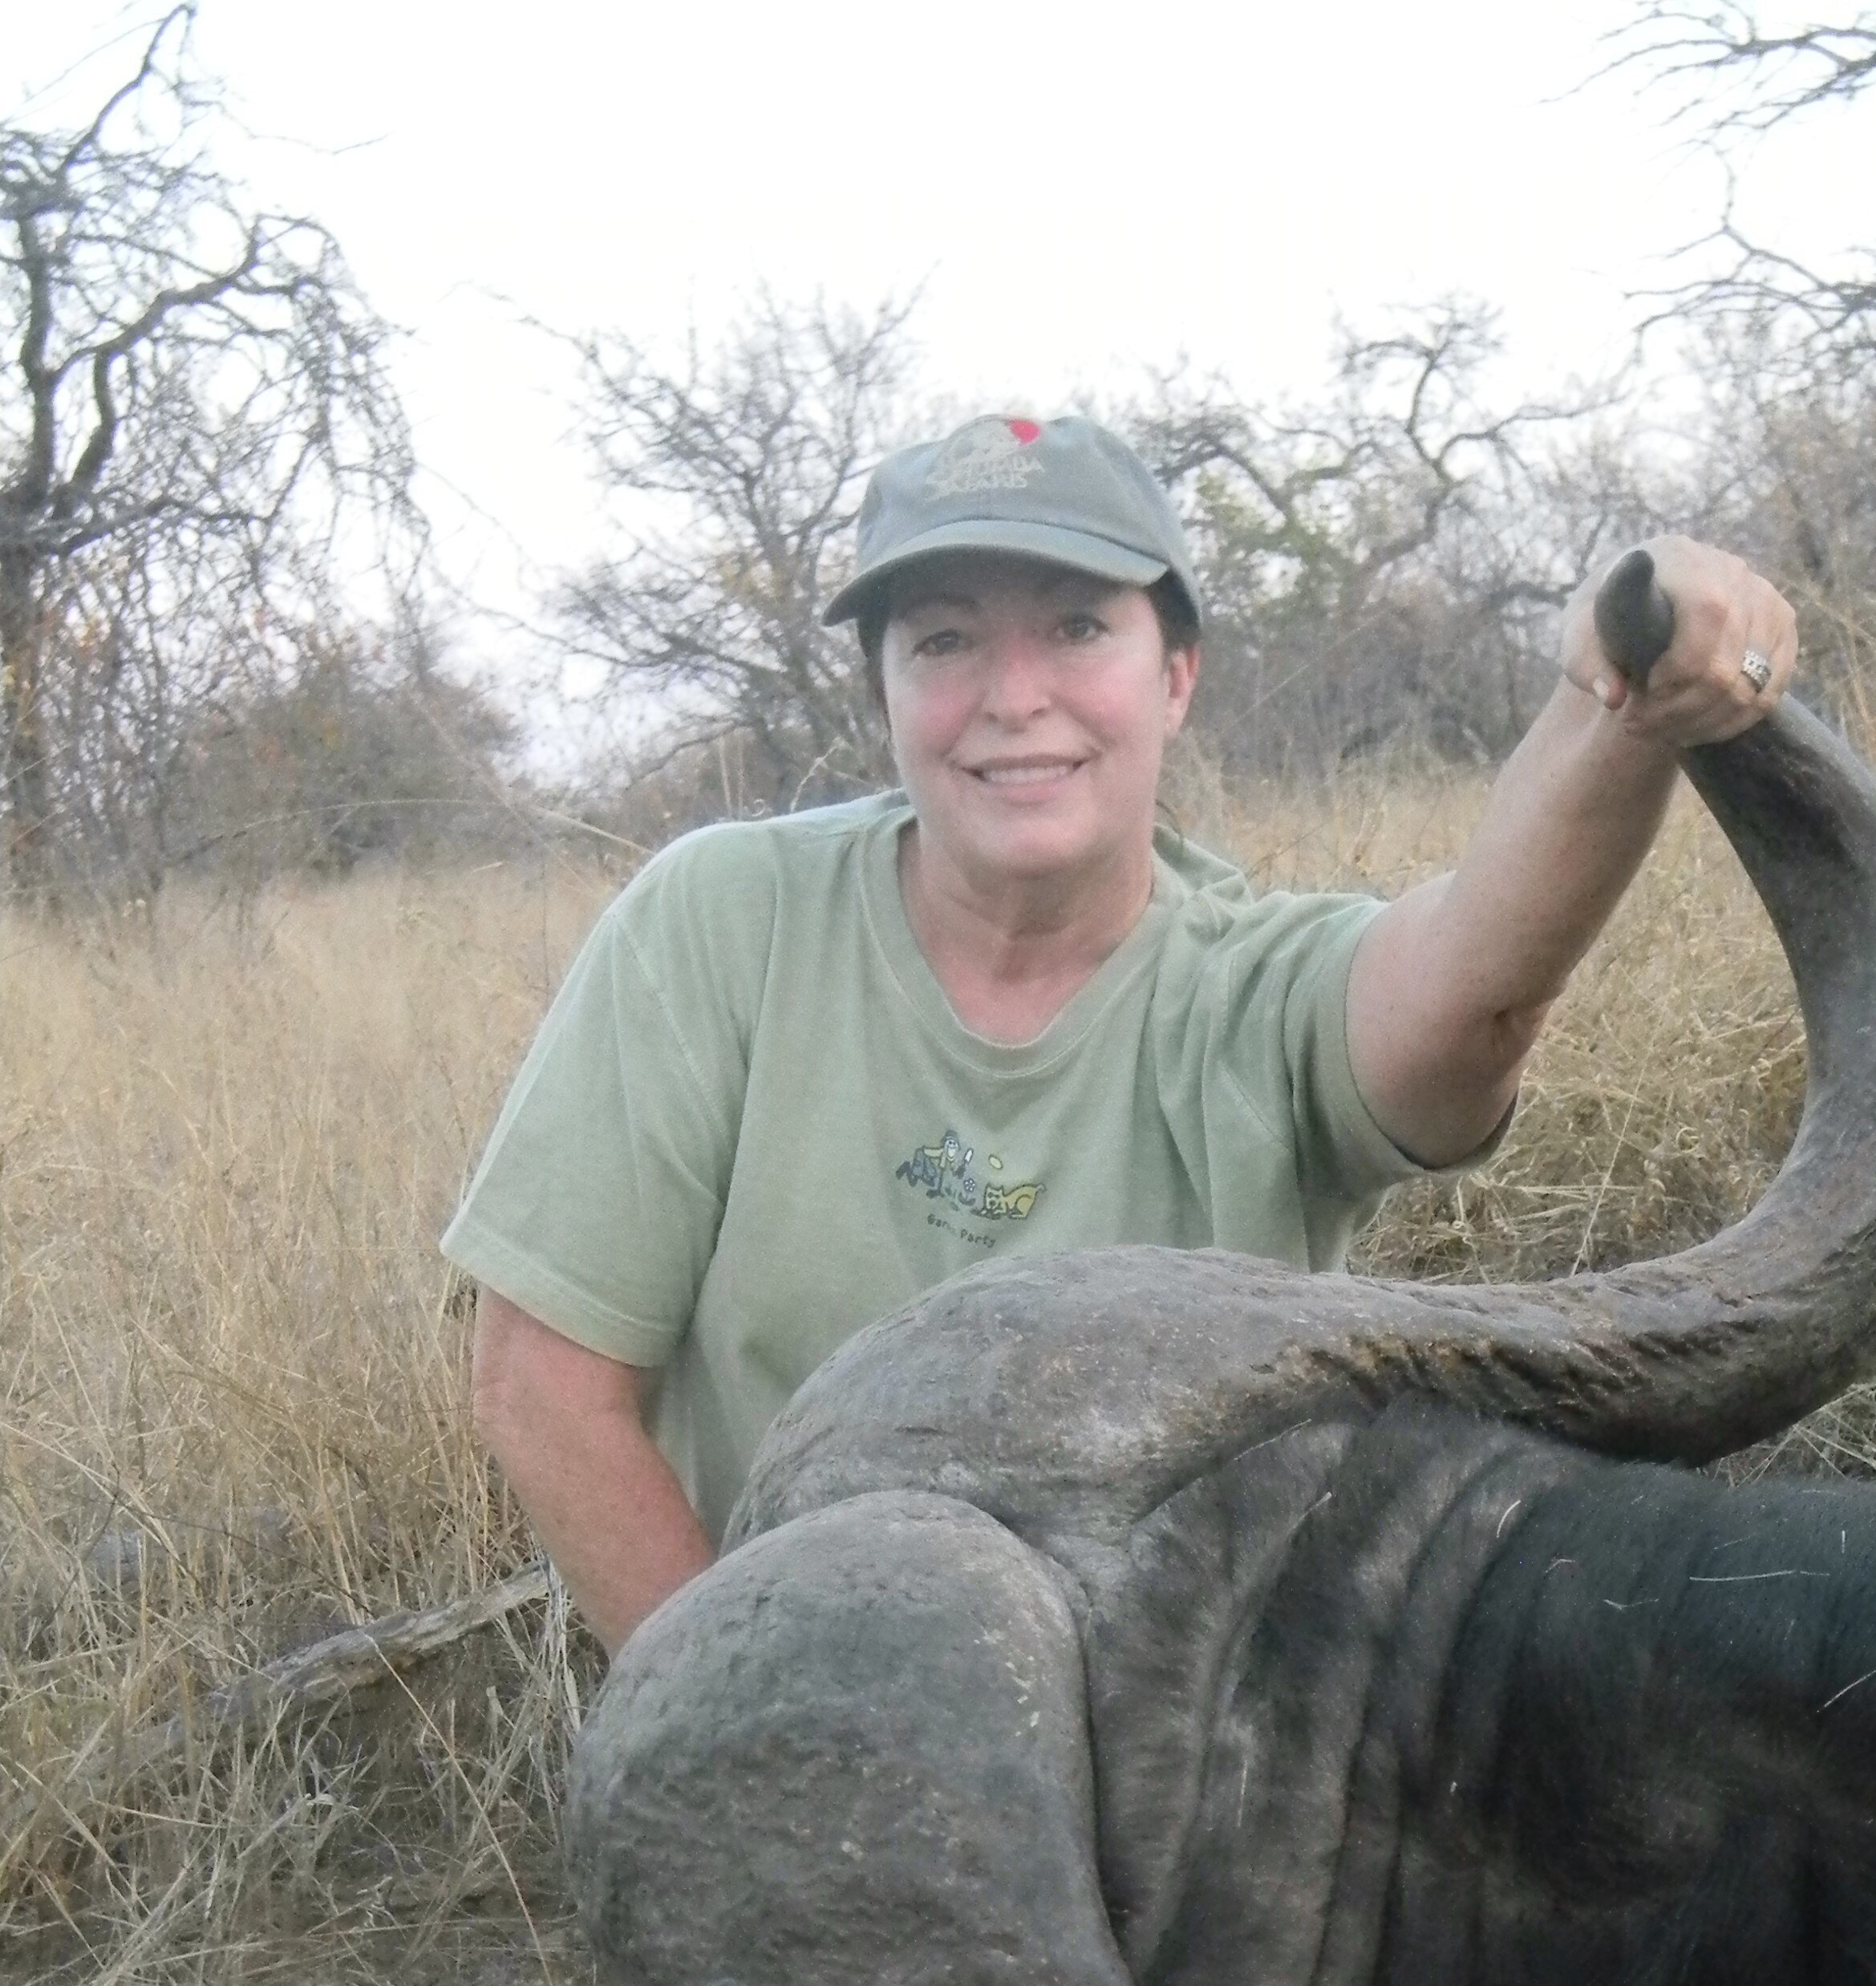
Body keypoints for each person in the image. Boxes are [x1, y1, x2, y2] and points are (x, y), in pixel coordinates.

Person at [448, 412, 1795, 1652]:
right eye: (945, 640)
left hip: (1176, 1767)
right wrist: (741, 1715)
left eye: (1080, 629)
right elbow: (543, 1384)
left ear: (1178, 677)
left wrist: (1621, 700)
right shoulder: (721, 920)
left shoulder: (1256, 991)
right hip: (793, 1722)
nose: (1013, 696)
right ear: (887, 696)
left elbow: (1474, 990)